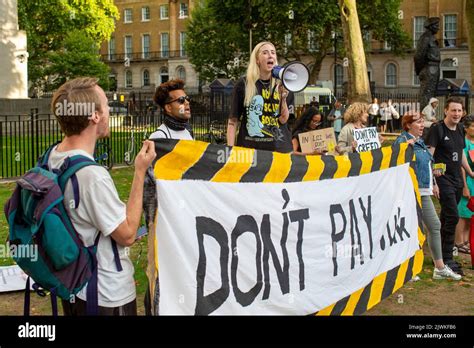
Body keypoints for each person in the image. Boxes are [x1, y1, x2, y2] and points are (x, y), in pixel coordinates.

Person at [50, 77, 156, 315]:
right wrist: (139, 171)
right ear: (95, 116)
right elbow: (128, 234)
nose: (109, 110)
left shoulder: (54, 156)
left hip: (73, 285)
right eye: (106, 105)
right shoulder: (91, 176)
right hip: (104, 294)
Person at [393, 112, 461, 280]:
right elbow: (393, 160)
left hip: (424, 190)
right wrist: (404, 147)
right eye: (418, 122)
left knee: (434, 226)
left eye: (423, 122)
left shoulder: (421, 141)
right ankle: (407, 269)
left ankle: (439, 268)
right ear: (408, 125)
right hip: (410, 191)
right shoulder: (402, 141)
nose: (422, 125)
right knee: (411, 229)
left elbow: (428, 163)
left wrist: (435, 182)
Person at [426, 97, 474, 275]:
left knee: (447, 217)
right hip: (442, 179)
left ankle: (438, 255)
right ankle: (447, 258)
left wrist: (469, 172)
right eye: (453, 110)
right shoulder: (437, 129)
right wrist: (432, 180)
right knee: (453, 216)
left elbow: (460, 153)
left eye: (459, 111)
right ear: (445, 110)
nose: (456, 114)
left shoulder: (460, 129)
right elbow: (429, 156)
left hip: (456, 179)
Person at [227, 41, 294, 153]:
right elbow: (233, 120)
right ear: (257, 60)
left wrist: (283, 98)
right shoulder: (244, 84)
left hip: (279, 150)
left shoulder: (283, 84)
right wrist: (230, 150)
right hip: (250, 150)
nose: (270, 55)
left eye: (273, 52)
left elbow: (283, 119)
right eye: (265, 53)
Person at [455, 115, 474, 255]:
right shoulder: (463, 142)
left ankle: (467, 240)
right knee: (463, 213)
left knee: (471, 213)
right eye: (473, 126)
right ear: (466, 128)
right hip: (467, 180)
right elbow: (461, 166)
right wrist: (464, 186)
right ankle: (458, 241)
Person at [414, 17, 441, 111]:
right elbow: (418, 55)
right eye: (436, 25)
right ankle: (424, 117)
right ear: (430, 26)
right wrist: (421, 70)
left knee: (432, 95)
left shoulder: (432, 38)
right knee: (426, 94)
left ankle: (430, 115)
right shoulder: (425, 38)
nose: (438, 28)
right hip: (429, 68)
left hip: (435, 68)